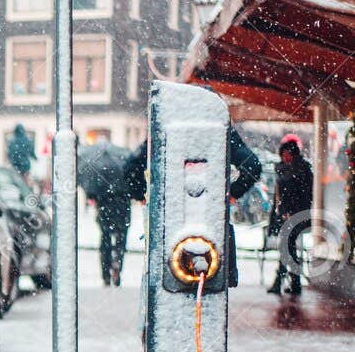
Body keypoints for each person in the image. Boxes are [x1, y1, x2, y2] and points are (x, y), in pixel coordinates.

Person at [124, 123, 260, 289]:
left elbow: (131, 167)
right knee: (212, 282)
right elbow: (253, 165)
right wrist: (231, 193)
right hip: (212, 218)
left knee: (168, 283)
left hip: (170, 216)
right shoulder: (221, 128)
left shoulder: (166, 125)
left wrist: (143, 194)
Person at [267, 133, 313, 298]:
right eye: (283, 154)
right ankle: (293, 282)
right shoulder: (292, 170)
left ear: (293, 154)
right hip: (287, 215)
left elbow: (302, 195)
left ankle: (285, 282)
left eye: (287, 154)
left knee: (287, 248)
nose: (285, 157)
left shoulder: (299, 171)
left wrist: (291, 212)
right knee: (288, 248)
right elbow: (279, 196)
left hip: (295, 216)